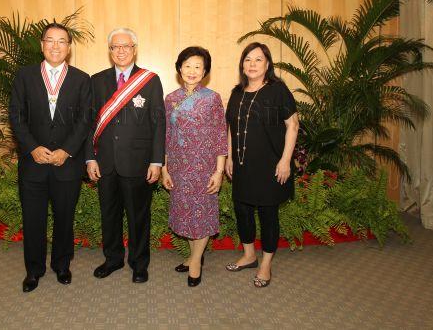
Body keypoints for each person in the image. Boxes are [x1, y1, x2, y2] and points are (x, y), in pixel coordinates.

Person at [9, 23, 91, 292]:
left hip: (66, 164)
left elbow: (84, 120)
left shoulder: (81, 79)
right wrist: (32, 147)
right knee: (33, 219)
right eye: (50, 41)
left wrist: (65, 150)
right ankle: (33, 270)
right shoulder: (24, 76)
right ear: (42, 44)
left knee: (64, 217)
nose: (55, 46)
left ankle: (62, 265)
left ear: (69, 47)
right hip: (33, 163)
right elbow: (17, 117)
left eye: (62, 42)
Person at [86, 27, 165, 284]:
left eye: (126, 46)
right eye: (115, 47)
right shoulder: (96, 81)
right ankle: (113, 259)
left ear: (134, 49)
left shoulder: (150, 80)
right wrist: (89, 158)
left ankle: (139, 263)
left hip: (138, 163)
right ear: (110, 51)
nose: (120, 51)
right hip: (105, 162)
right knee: (109, 214)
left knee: (138, 216)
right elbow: (88, 123)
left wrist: (156, 160)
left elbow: (158, 123)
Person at [224, 42, 299, 288]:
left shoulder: (277, 90)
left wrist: (286, 160)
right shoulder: (237, 92)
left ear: (267, 64)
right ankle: (249, 255)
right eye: (248, 59)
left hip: (271, 164)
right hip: (243, 164)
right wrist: (230, 157)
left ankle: (266, 264)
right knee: (242, 211)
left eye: (258, 59)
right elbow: (231, 129)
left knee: (268, 214)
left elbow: (293, 125)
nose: (252, 64)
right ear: (242, 64)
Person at [162, 46, 227, 287]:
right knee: (186, 214)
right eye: (187, 65)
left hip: (204, 167)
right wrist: (165, 169)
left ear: (205, 71)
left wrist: (219, 171)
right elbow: (166, 136)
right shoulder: (171, 99)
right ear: (179, 69)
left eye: (198, 66)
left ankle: (196, 261)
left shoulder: (212, 98)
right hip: (179, 167)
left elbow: (221, 135)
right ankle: (192, 256)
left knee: (203, 215)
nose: (192, 71)